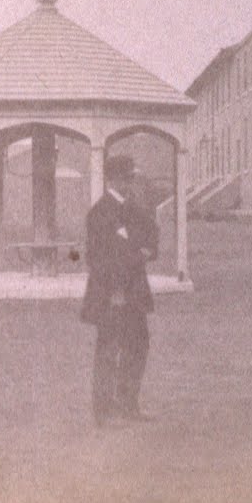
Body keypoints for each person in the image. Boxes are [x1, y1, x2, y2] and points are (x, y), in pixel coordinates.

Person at [80, 154, 159, 427]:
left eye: (132, 177)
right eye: (127, 177)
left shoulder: (135, 209)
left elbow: (152, 239)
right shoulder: (99, 213)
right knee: (109, 350)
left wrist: (134, 250)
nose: (131, 182)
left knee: (138, 346)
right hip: (112, 293)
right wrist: (134, 257)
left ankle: (128, 405)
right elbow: (98, 258)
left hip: (134, 292)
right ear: (113, 179)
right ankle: (104, 412)